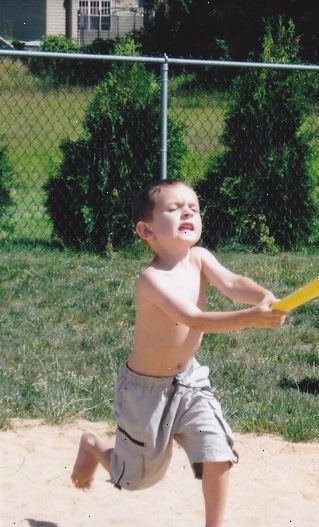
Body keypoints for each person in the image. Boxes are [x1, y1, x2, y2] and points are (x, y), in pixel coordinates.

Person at [71, 179, 286, 527]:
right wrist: (252, 318)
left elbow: (233, 284)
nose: (188, 211)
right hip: (145, 392)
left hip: (189, 380)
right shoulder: (152, 279)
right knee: (137, 479)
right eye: (174, 208)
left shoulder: (200, 259)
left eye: (194, 207)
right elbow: (194, 318)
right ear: (146, 230)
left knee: (217, 451)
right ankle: (94, 447)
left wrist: (262, 296)